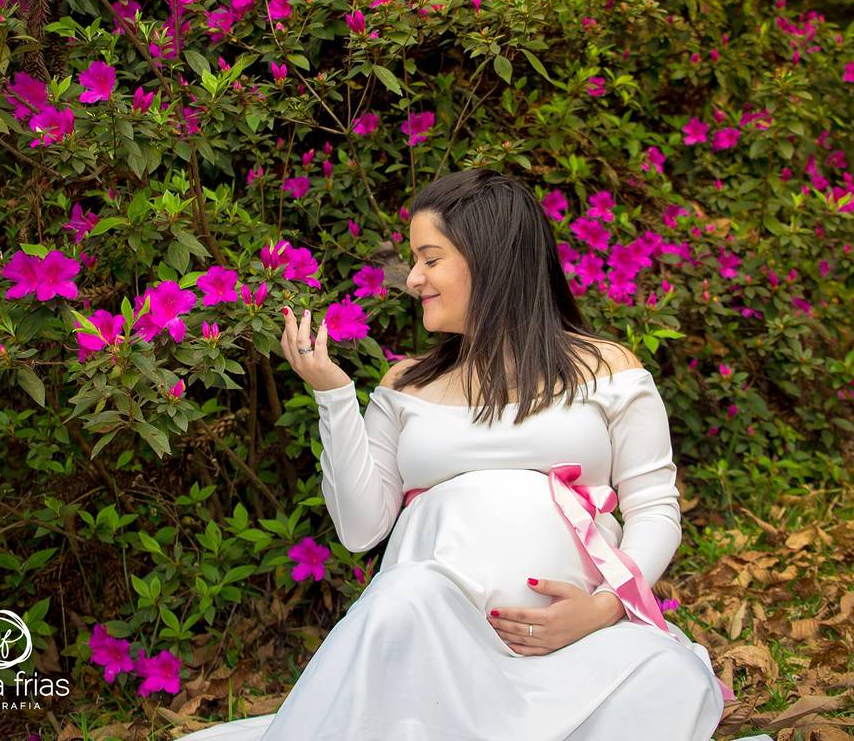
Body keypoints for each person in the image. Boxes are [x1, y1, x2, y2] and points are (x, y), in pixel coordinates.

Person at [181, 169, 731, 741]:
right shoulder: (406, 386)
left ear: (489, 259)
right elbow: (359, 530)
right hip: (431, 646)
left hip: (579, 645)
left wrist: (604, 609)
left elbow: (655, 509)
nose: (414, 278)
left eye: (430, 258)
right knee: (405, 594)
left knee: (673, 678)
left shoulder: (607, 368)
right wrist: (333, 395)